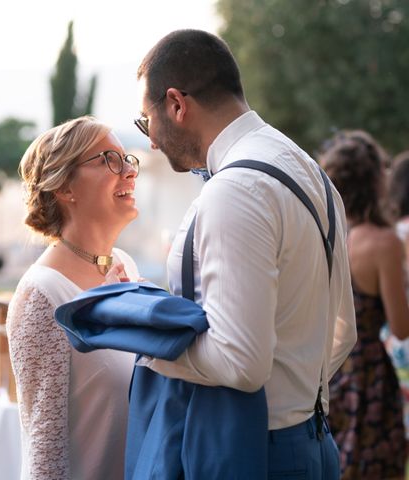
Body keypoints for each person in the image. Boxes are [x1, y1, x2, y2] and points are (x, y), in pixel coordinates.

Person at [132, 29, 357, 478]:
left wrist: (146, 345)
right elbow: (343, 331)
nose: (151, 141)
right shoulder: (308, 169)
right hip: (311, 441)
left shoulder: (234, 190)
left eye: (146, 121)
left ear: (176, 105)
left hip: (251, 450)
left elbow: (242, 363)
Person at [6, 116, 141, 479]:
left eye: (127, 159)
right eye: (108, 160)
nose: (128, 172)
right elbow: (45, 446)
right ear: (65, 187)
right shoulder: (43, 295)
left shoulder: (124, 267)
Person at [320, 132, 409, 479]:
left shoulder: (328, 237)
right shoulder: (383, 243)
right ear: (375, 180)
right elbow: (401, 327)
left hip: (328, 370)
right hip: (370, 377)